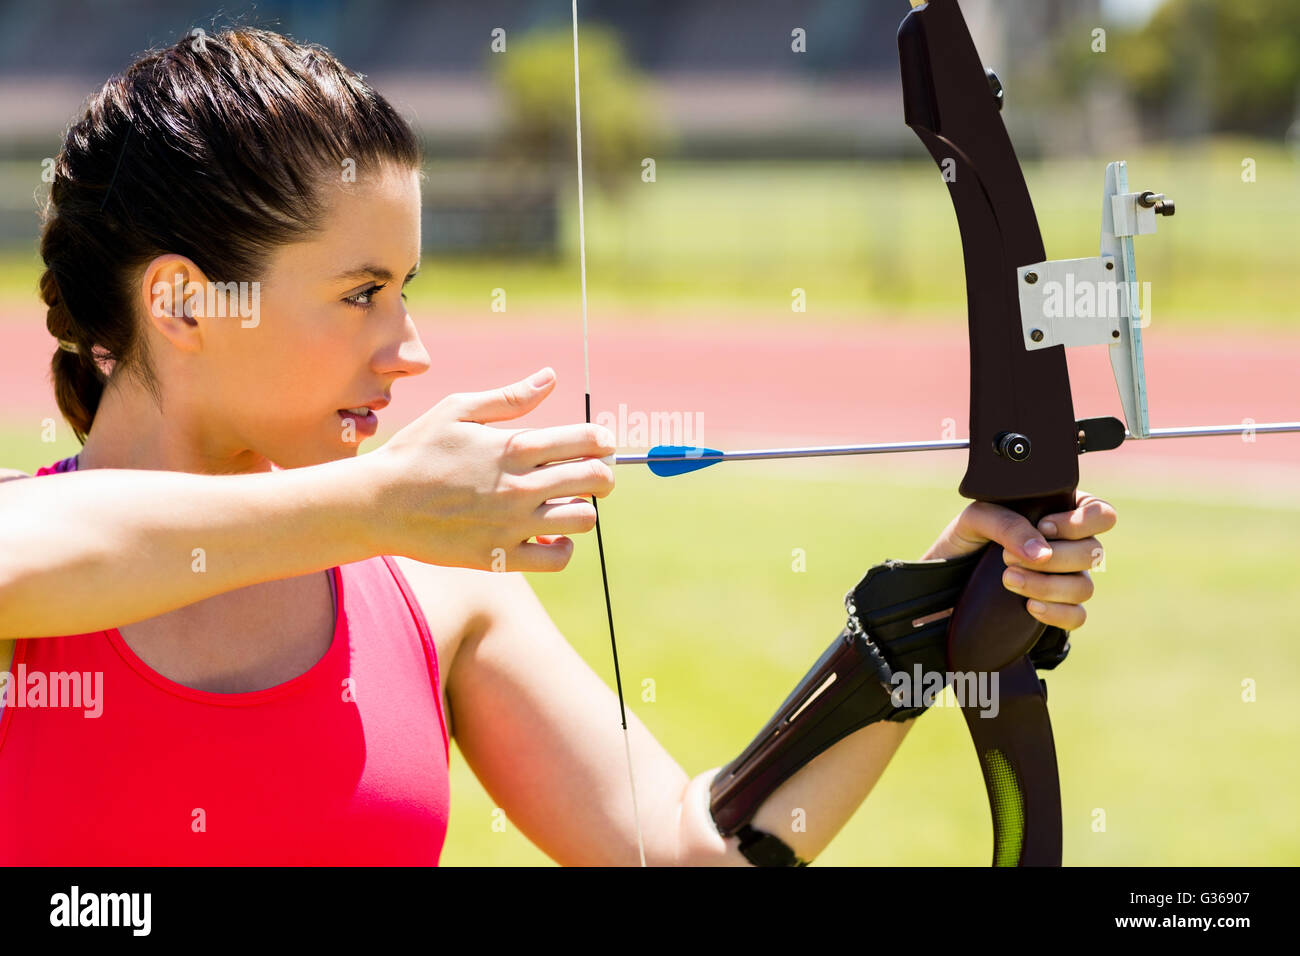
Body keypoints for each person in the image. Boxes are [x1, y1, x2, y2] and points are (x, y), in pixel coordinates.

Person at [0, 27, 1115, 865]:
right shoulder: (37, 581)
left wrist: (912, 633)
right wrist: (374, 504)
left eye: (409, 290)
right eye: (360, 293)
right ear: (188, 304)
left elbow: (685, 851)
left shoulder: (431, 590)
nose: (411, 349)